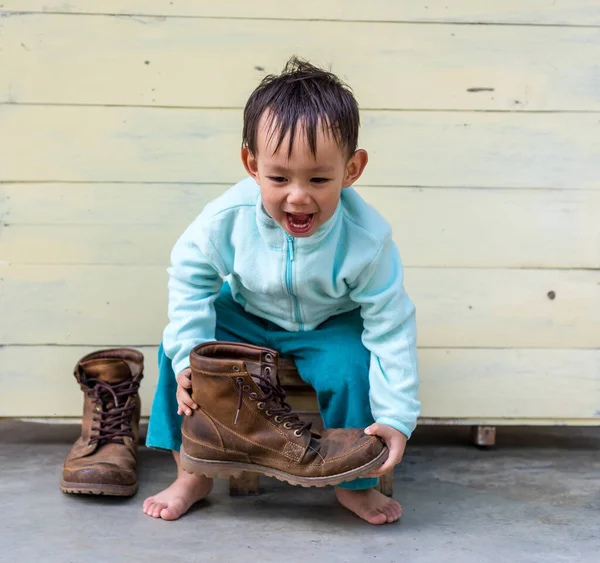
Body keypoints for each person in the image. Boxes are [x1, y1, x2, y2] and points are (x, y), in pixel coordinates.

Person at [142, 57, 420, 525]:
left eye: (318, 178)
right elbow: (192, 281)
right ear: (252, 164)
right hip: (247, 314)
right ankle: (192, 469)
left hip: (328, 322)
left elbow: (390, 324)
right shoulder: (225, 219)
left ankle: (355, 482)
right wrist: (189, 353)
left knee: (353, 367)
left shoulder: (366, 238)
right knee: (176, 354)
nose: (297, 196)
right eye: (279, 178)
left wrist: (398, 417)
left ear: (352, 169)